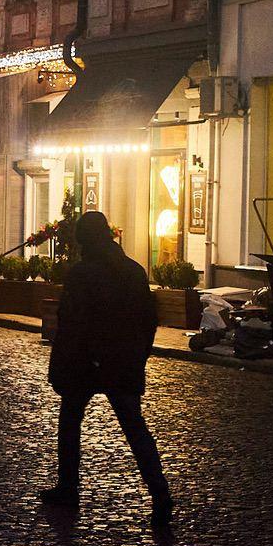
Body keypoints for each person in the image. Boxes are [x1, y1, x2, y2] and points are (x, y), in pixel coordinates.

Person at [42, 211, 173, 524]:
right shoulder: (133, 271)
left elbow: (71, 323)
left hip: (85, 362)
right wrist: (139, 356)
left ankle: (68, 488)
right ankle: (160, 493)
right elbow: (149, 320)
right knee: (135, 428)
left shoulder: (82, 273)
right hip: (121, 362)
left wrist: (64, 364)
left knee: (70, 424)